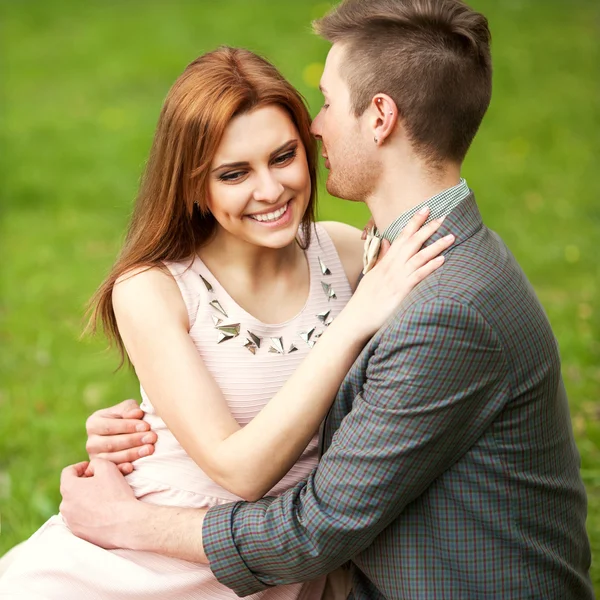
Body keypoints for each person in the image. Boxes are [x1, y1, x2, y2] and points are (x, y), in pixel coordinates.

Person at [55, 0, 594, 599]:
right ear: (194, 183)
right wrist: (149, 428)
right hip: (167, 559)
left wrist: (129, 521)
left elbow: (315, 527)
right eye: (234, 172)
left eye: (328, 102)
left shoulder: (404, 282)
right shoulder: (397, 260)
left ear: (380, 116)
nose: (316, 125)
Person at [0, 44, 452, 599]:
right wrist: (355, 320)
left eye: (283, 157)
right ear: (194, 185)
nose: (270, 190)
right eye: (234, 173)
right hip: (146, 562)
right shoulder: (152, 288)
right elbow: (239, 472)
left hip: (277, 560)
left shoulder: (344, 253)